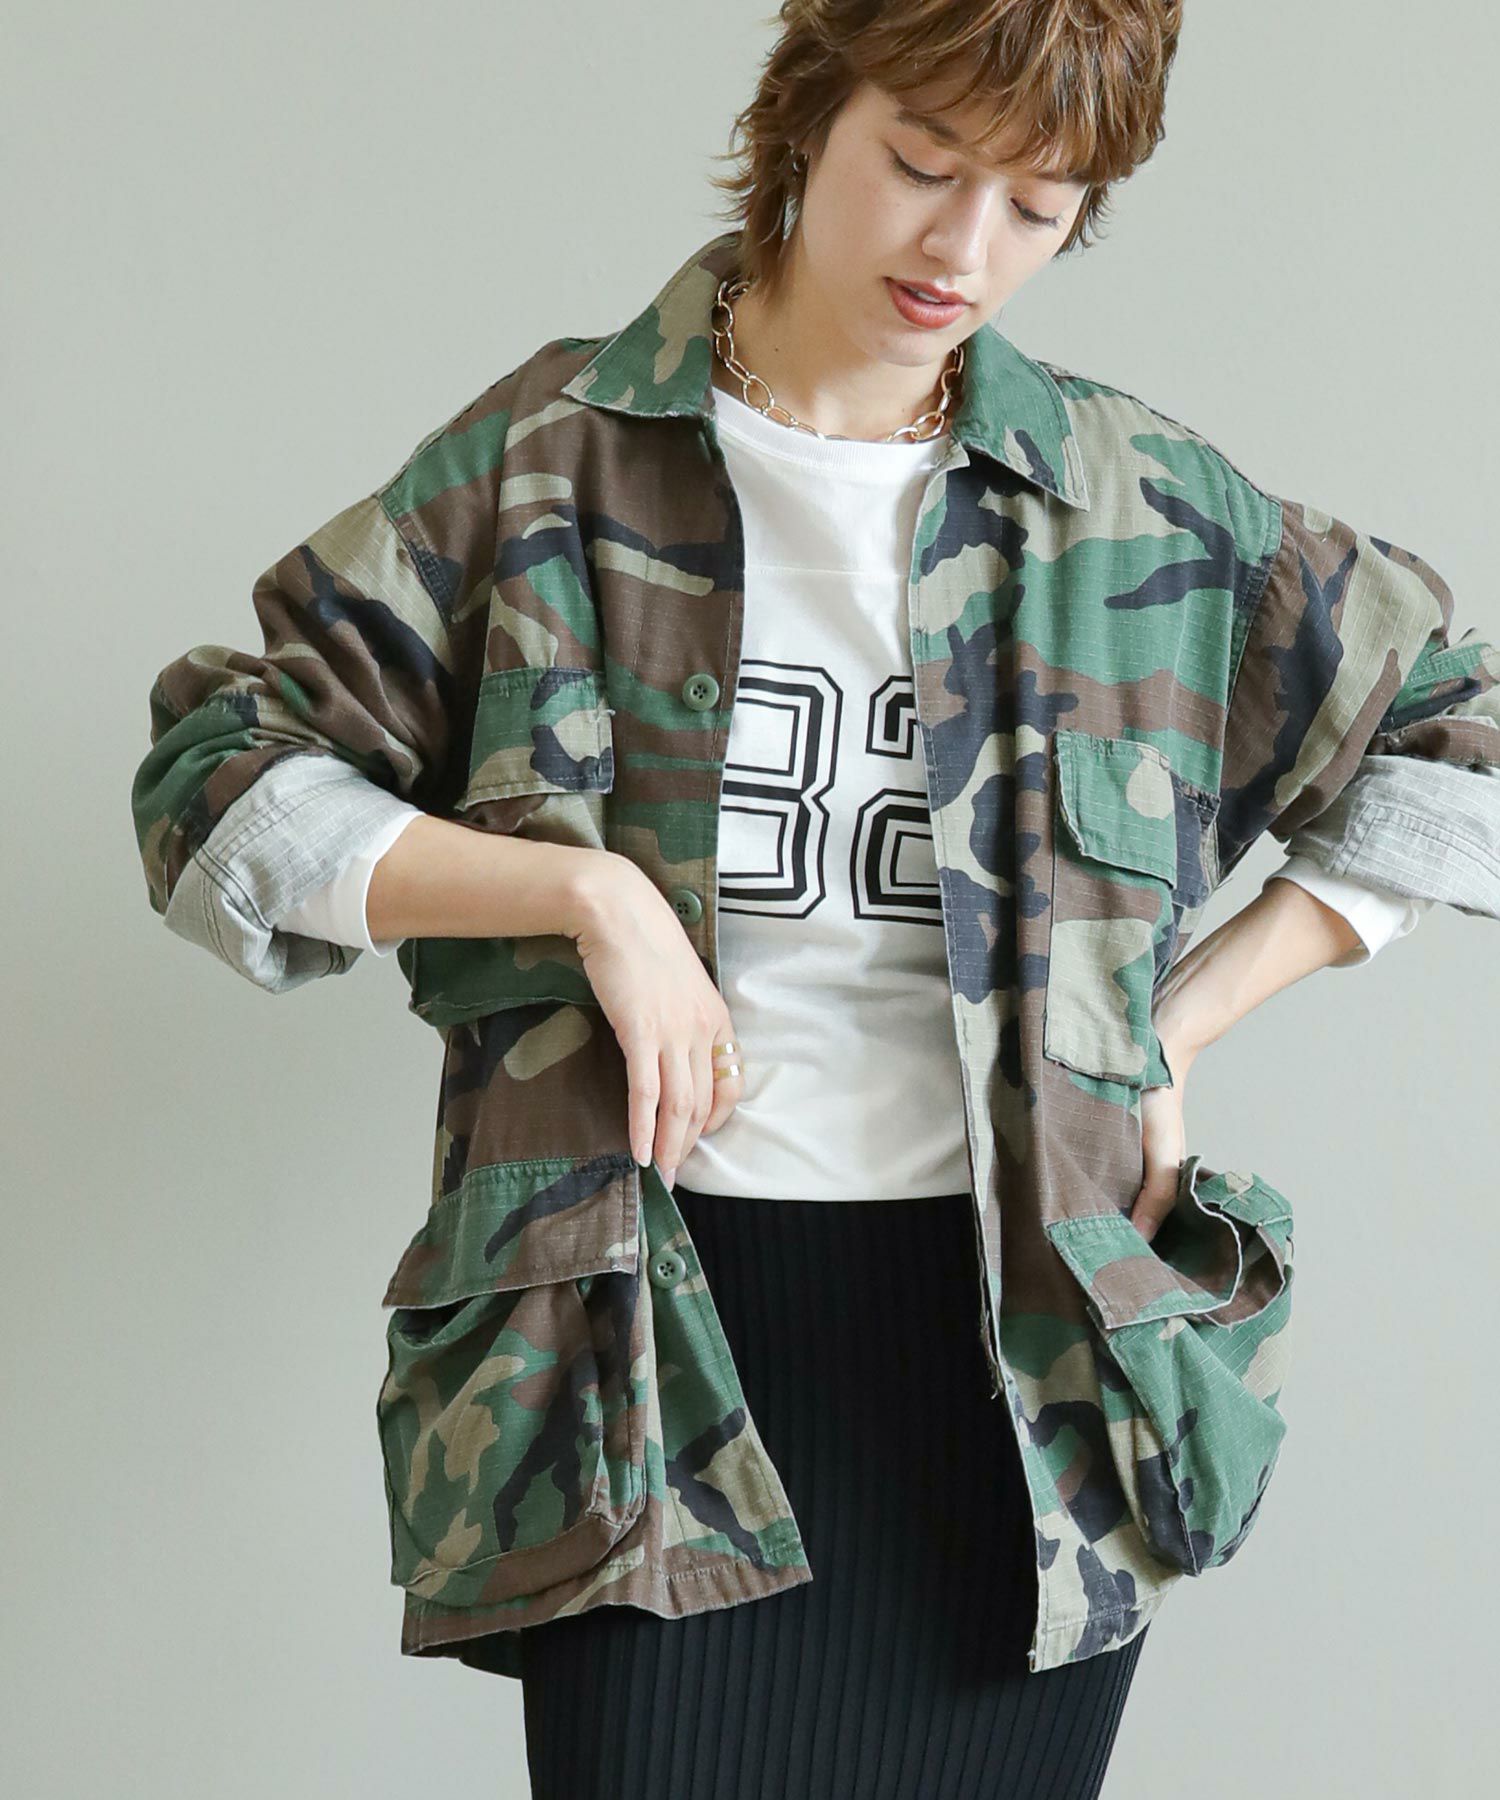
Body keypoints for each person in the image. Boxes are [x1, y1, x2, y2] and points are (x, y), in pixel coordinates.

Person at [129, 4, 1500, 1797]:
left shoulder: (1133, 503)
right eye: (921, 165)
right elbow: (218, 784)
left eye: (1037, 206)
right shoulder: (553, 457)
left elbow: (1458, 736)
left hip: (1026, 1383)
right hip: (647, 1354)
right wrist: (588, 896)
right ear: (805, 117)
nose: (963, 248)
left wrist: (1171, 1026)